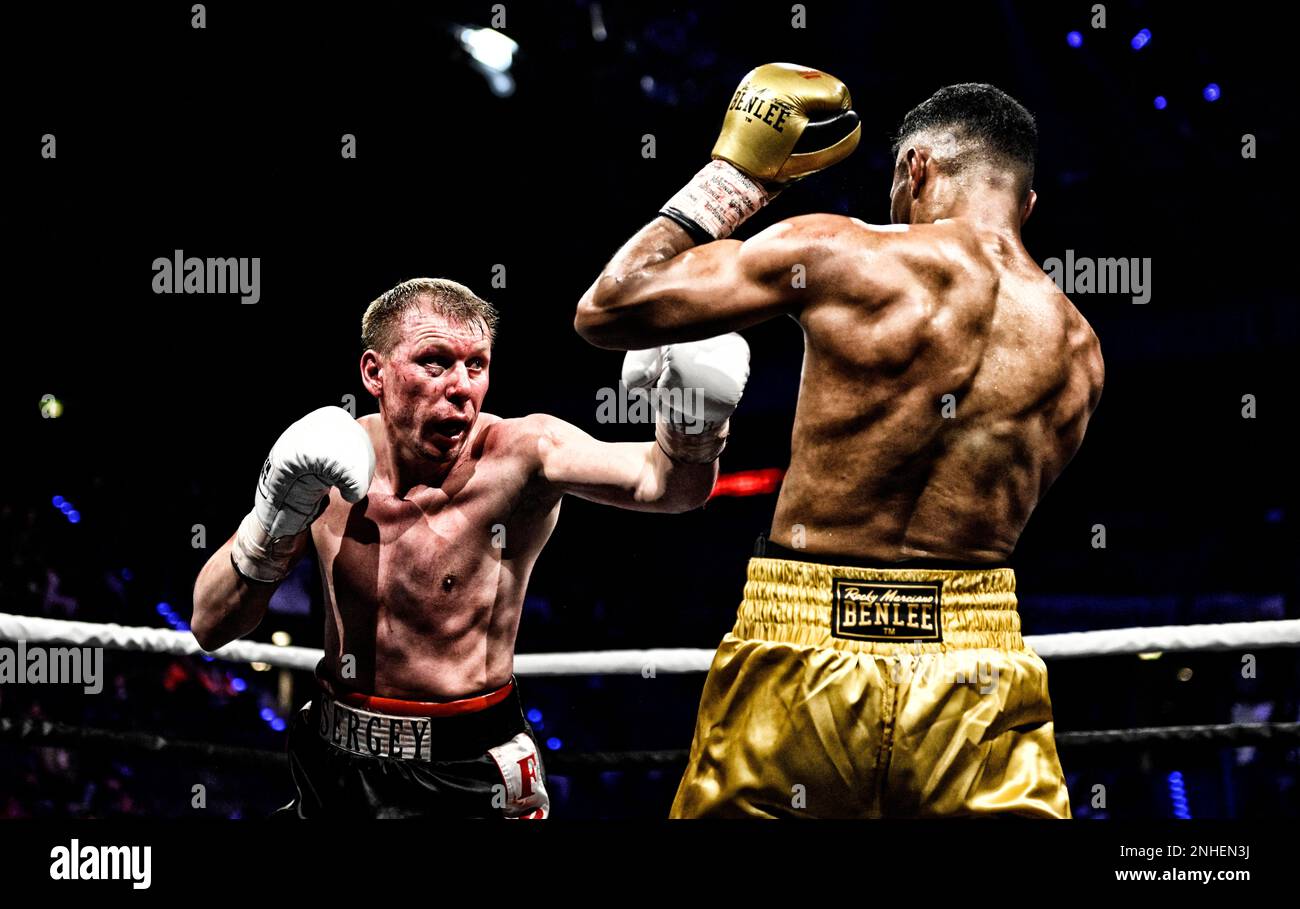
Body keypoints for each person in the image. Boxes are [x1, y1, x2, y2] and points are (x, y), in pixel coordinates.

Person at [575, 66, 1104, 818]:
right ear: (1027, 203)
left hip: (804, 640)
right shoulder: (1080, 348)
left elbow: (608, 306)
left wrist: (733, 178)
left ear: (915, 167)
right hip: (977, 660)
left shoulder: (839, 251)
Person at [192, 277, 750, 818]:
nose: (460, 386)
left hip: (467, 769)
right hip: (334, 760)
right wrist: (273, 515)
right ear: (374, 372)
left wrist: (694, 423)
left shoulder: (522, 456)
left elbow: (668, 486)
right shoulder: (325, 462)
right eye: (434, 361)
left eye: (476, 365)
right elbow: (210, 623)